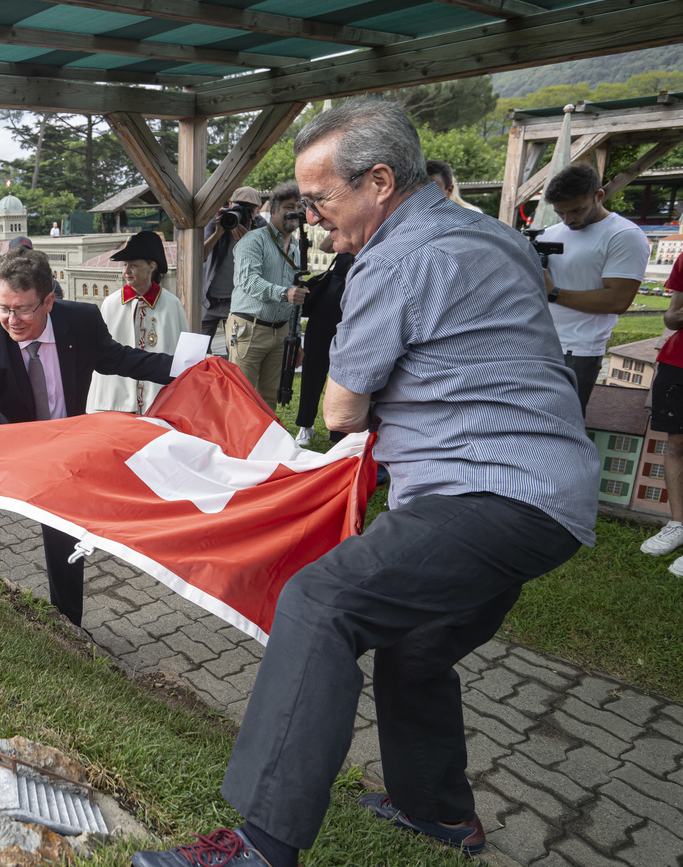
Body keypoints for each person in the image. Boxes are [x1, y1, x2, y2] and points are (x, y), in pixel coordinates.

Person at [132, 97, 599, 867]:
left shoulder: (393, 256)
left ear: (379, 180)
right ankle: (440, 813)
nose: (313, 218)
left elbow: (343, 408)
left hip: (484, 489)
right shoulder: (491, 235)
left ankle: (261, 844)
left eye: (320, 199)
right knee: (414, 645)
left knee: (321, 601)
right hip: (554, 494)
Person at [0, 247, 174, 627]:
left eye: (23, 309)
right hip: (6, 439)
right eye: (2, 307)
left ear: (49, 301)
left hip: (61, 446)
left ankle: (68, 620)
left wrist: (190, 365)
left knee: (62, 525)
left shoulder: (83, 321)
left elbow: (126, 359)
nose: (11, 320)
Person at [538, 162, 651, 413]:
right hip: (535, 343)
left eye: (577, 210)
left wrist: (553, 293)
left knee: (561, 431)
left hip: (577, 352)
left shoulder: (624, 236)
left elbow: (616, 301)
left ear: (598, 196)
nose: (568, 220)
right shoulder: (548, 233)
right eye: (560, 213)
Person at [227, 182, 308, 410]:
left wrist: (296, 339)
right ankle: (237, 445)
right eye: (288, 207)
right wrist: (285, 293)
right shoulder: (253, 240)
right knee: (241, 396)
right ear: (273, 211)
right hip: (249, 329)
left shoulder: (295, 248)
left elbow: (298, 296)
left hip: (281, 332)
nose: (295, 212)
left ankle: (263, 444)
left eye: (299, 206)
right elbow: (248, 282)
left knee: (268, 399)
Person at [87, 230, 185, 414]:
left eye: (133, 265)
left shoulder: (172, 305)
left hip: (159, 402)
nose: (126, 271)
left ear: (151, 267)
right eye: (124, 265)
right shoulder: (111, 303)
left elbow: (181, 353)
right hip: (115, 402)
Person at [640, 252, 683, 564]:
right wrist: (676, 316)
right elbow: (670, 317)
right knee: (676, 445)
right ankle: (678, 524)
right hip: (677, 362)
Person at [293, 235, 354, 446]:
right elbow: (325, 246)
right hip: (329, 303)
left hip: (356, 306)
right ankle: (305, 424)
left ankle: (338, 433)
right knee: (314, 366)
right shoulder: (349, 232)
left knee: (345, 371)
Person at [201, 187, 264, 341]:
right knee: (197, 352)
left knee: (234, 354)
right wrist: (218, 232)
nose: (242, 212)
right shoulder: (218, 220)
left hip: (237, 303)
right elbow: (199, 255)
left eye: (248, 209)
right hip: (207, 300)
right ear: (230, 205)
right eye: (239, 206)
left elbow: (264, 263)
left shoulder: (260, 226)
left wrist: (248, 241)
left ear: (258, 210)